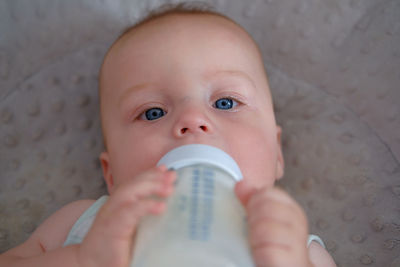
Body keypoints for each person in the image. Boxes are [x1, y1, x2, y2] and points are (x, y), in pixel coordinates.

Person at [0, 3, 336, 267]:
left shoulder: (291, 245)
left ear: (276, 153)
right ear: (112, 174)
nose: (192, 120)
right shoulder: (88, 224)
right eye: (153, 112)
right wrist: (83, 260)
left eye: (225, 102)